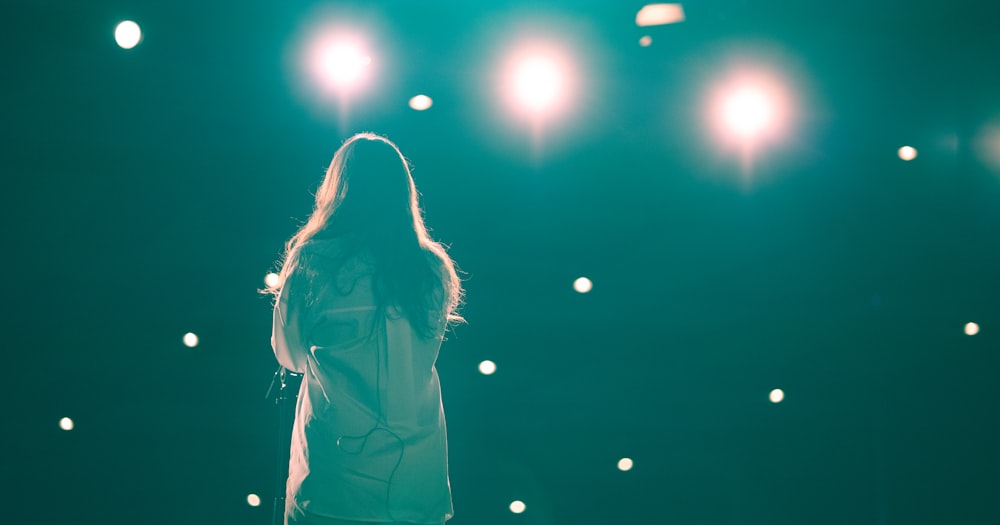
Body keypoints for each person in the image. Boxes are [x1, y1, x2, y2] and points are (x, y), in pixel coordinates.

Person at [266, 132, 464, 525]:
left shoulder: (313, 259)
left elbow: (288, 356)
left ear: (337, 188)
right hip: (415, 482)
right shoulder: (432, 269)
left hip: (332, 480)